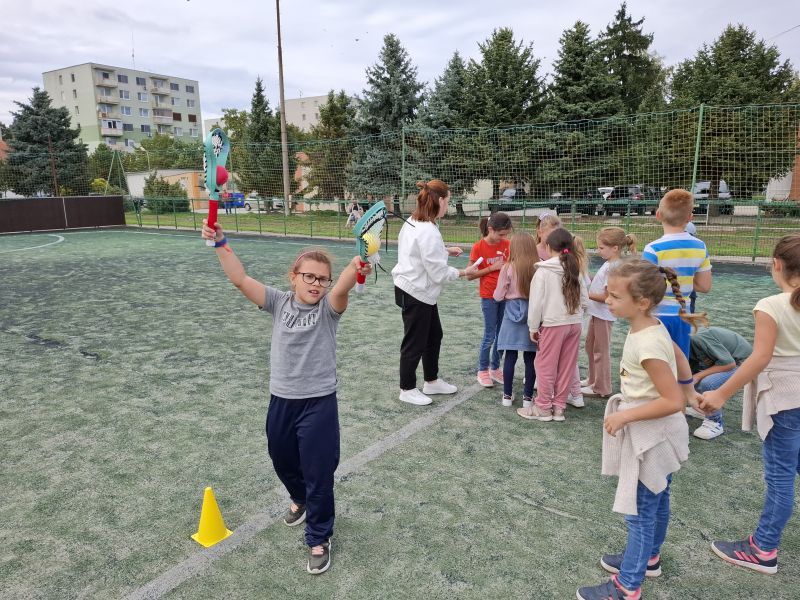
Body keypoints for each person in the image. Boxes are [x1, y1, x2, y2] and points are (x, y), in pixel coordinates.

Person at [200, 219, 372, 576]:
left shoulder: (328, 309)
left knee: (319, 473)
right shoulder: (278, 302)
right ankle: (299, 498)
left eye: (322, 279)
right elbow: (239, 279)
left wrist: (354, 267)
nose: (316, 284)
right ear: (293, 277)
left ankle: (319, 538)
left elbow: (343, 287)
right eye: (309, 276)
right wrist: (220, 243)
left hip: (319, 403)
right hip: (281, 400)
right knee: (281, 459)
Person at [576, 259, 703, 600]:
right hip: (658, 431)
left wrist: (624, 417)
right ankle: (648, 558)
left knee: (640, 512)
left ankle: (627, 586)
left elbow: (672, 401)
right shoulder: (650, 326)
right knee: (657, 500)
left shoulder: (646, 341)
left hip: (651, 435)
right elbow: (678, 357)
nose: (607, 299)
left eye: (615, 296)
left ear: (642, 302)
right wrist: (690, 389)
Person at [699, 234, 800, 575]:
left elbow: (759, 358)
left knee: (780, 476)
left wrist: (721, 394)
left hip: (785, 400)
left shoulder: (770, 305)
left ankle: (763, 549)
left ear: (776, 265)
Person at [392, 179, 476, 406]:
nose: (448, 205)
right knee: (414, 342)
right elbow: (438, 273)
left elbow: (418, 251)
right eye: (448, 201)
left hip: (415, 290)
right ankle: (407, 388)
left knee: (433, 335)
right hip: (415, 292)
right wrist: (464, 272)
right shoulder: (428, 230)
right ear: (440, 200)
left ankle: (431, 381)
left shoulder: (414, 221)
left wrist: (444, 250)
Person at [517, 228, 588, 422]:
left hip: (553, 324)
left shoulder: (543, 271)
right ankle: (559, 408)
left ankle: (543, 407)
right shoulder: (575, 268)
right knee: (567, 366)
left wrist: (533, 327)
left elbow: (535, 304)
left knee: (545, 366)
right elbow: (585, 300)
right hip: (574, 323)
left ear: (548, 247)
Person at [642, 189, 712, 358]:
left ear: (658, 215)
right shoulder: (700, 247)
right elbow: (704, 286)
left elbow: (644, 288)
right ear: (690, 218)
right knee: (680, 365)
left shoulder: (653, 249)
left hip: (656, 316)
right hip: (683, 316)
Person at [581, 227, 638, 399]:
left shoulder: (613, 267)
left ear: (615, 248)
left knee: (600, 350)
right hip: (597, 313)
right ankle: (593, 379)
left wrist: (584, 293)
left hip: (604, 315)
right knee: (590, 346)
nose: (598, 251)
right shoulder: (608, 264)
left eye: (601, 248)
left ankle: (602, 387)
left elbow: (607, 296)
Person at [683, 326, 752, 440]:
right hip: (725, 362)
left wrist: (697, 376)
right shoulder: (677, 341)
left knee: (707, 383)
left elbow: (729, 364)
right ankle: (703, 407)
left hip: (743, 362)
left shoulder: (697, 338)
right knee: (687, 379)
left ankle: (715, 422)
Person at [468, 212, 513, 387]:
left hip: (506, 296)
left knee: (503, 334)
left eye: (506, 234)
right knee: (490, 334)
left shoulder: (508, 244)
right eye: (501, 234)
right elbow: (470, 275)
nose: (504, 238)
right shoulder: (478, 247)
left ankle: (495, 368)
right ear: (491, 229)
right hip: (489, 297)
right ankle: (482, 370)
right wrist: (491, 268)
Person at [493, 231, 537, 407]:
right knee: (530, 357)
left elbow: (498, 296)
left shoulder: (507, 268)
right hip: (532, 314)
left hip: (510, 315)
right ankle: (528, 398)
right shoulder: (538, 267)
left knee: (510, 356)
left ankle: (507, 395)